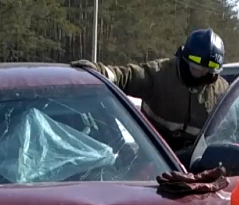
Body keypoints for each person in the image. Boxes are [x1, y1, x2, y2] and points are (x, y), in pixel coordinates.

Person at [71, 29, 230, 153]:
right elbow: (127, 76)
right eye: (196, 66)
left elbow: (229, 132)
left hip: (198, 164)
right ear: (185, 58)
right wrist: (100, 71)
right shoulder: (160, 74)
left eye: (208, 70)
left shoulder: (222, 92)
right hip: (156, 156)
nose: (201, 73)